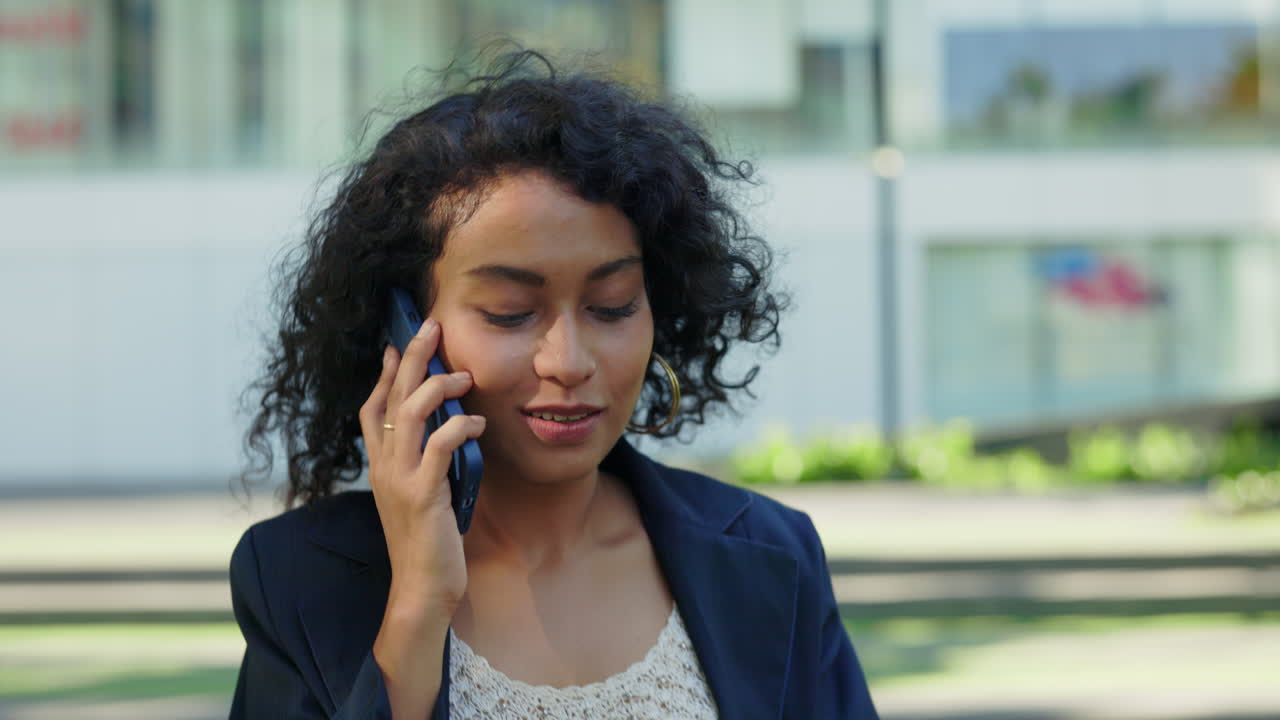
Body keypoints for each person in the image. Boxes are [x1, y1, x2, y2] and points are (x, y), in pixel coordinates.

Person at [229, 50, 879, 719]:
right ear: (403, 332)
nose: (567, 360)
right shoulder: (298, 579)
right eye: (510, 313)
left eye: (614, 305)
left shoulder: (772, 555)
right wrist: (419, 607)